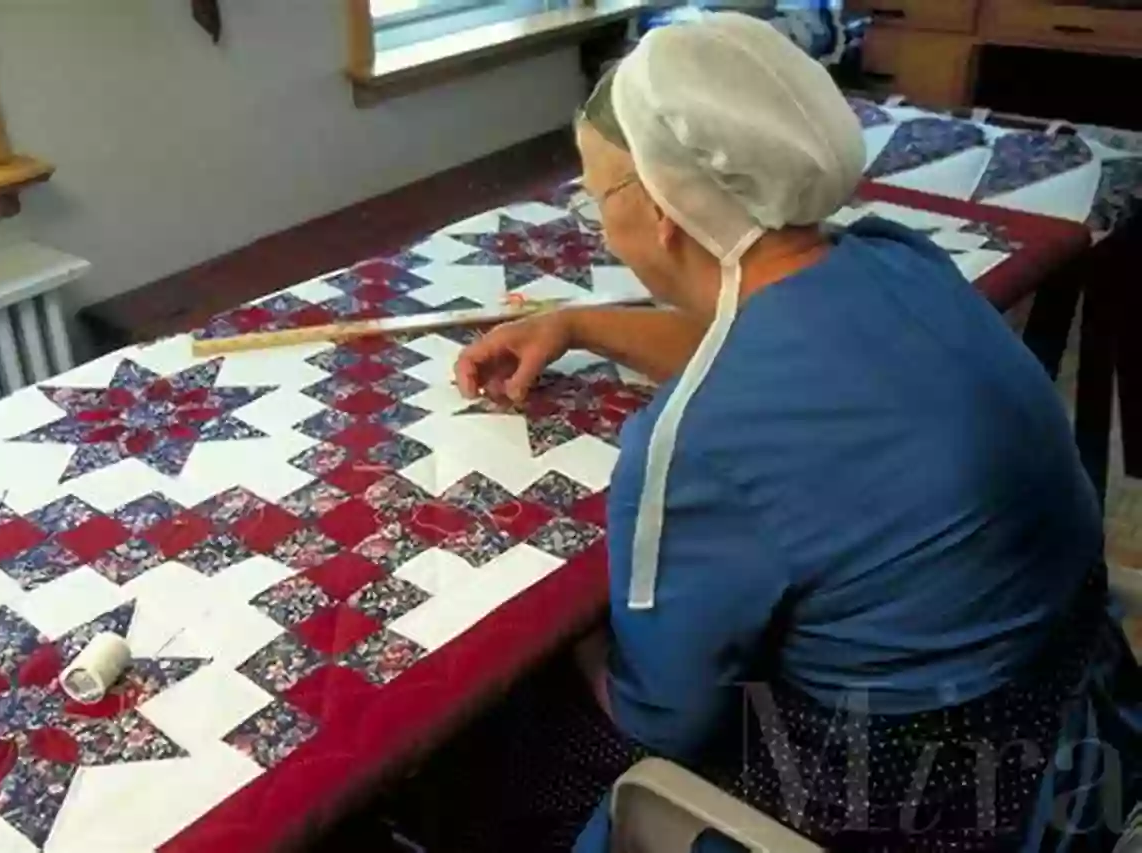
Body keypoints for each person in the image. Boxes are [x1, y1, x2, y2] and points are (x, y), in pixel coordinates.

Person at [451, 14, 1142, 853]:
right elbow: (749, 340)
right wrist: (581, 326)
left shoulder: (695, 437)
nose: (599, 225)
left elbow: (660, 714)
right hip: (1078, 723)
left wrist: (570, 648)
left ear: (664, 211)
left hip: (916, 800)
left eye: (598, 197)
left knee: (522, 721)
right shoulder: (897, 260)